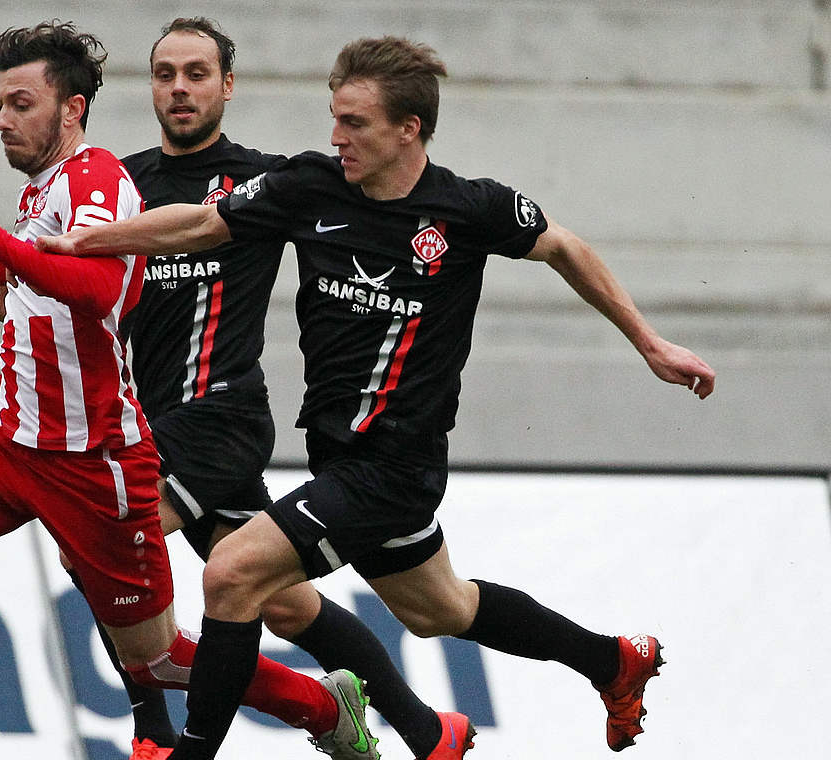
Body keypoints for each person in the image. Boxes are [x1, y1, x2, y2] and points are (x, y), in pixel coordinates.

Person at [38, 35, 716, 759]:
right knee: (441, 610)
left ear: (409, 129)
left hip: (392, 468)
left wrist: (650, 343)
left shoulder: (468, 209)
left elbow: (565, 247)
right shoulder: (311, 186)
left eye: (354, 124)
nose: (337, 137)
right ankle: (612, 661)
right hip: (339, 458)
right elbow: (204, 223)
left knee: (231, 574)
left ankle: (185, 751)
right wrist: (84, 244)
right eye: (334, 118)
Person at [0, 21, 378, 760]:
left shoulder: (101, 181)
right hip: (6, 440)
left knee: (157, 660)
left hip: (95, 464)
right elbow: (16, 265)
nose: (2, 119)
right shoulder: (44, 189)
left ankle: (320, 704)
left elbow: (97, 286)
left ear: (72, 109)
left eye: (21, 103)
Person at [52, 18, 471, 760]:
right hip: (152, 425)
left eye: (197, 74)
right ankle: (424, 727)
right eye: (165, 74)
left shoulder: (268, 181)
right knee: (283, 603)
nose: (180, 88)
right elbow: (75, 269)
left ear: (227, 86)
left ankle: (153, 732)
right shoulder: (121, 182)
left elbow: (373, 209)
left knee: (102, 541)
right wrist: (18, 278)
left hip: (219, 418)